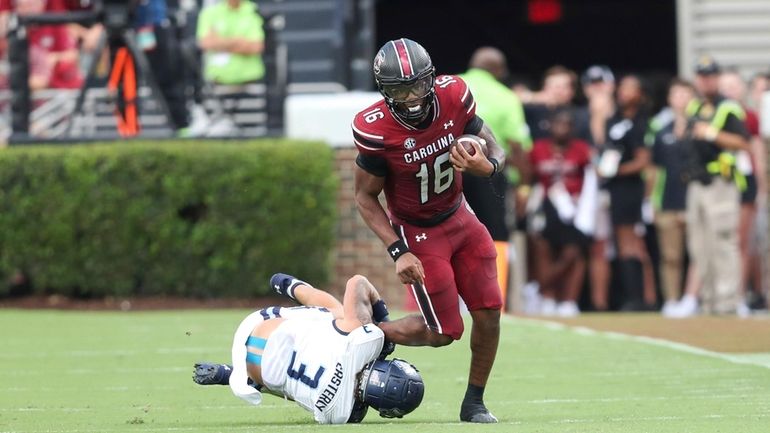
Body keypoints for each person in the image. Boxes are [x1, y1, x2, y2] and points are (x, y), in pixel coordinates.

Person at [352, 38, 505, 423]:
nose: (413, 97)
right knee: (443, 332)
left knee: (489, 312)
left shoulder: (454, 94)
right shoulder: (375, 128)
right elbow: (365, 198)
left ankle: (474, 402)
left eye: (418, 86)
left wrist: (490, 167)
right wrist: (397, 250)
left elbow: (493, 145)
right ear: (385, 92)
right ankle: (368, 334)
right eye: (400, 91)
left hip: (460, 216)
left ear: (431, 79)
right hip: (419, 233)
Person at [193, 273, 425, 424]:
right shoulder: (343, 416)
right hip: (255, 370)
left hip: (260, 327)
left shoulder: (364, 343)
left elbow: (357, 282)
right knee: (296, 385)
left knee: (339, 313)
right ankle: (228, 374)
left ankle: (293, 287)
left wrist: (381, 325)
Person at [458, 46, 531, 308]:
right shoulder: (506, 96)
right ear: (498, 70)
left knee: (445, 231)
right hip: (490, 172)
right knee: (495, 234)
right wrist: (524, 188)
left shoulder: (451, 86)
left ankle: (446, 299)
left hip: (450, 171)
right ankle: (493, 300)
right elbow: (518, 147)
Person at [682, 56, 749, 315]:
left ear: (717, 78)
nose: (705, 80)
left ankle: (728, 302)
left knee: (723, 242)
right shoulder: (694, 107)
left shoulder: (728, 107)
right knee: (699, 245)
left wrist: (711, 133)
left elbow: (743, 142)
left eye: (710, 76)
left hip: (720, 182)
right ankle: (708, 301)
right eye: (701, 76)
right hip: (697, 183)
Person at [525, 108, 592, 316]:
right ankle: (548, 298)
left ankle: (564, 298)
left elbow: (593, 176)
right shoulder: (538, 148)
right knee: (543, 249)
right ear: (550, 126)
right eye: (558, 123)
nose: (562, 128)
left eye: (567, 124)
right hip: (546, 206)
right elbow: (528, 176)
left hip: (574, 208)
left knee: (573, 253)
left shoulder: (581, 149)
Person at [597, 74, 653, 310]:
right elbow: (606, 147)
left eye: (631, 88)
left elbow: (643, 161)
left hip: (631, 187)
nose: (625, 93)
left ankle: (643, 299)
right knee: (621, 242)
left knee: (632, 243)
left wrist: (616, 171)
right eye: (623, 87)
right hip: (616, 188)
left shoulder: (641, 122)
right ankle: (632, 297)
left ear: (640, 94)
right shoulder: (614, 120)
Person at [645, 78, 696, 315]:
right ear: (669, 99)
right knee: (670, 255)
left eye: (686, 95)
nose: (681, 100)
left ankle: (692, 298)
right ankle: (672, 299)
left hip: (694, 200)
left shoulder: (700, 127)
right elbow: (654, 168)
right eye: (677, 95)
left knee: (698, 253)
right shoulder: (660, 129)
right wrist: (650, 201)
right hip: (668, 199)